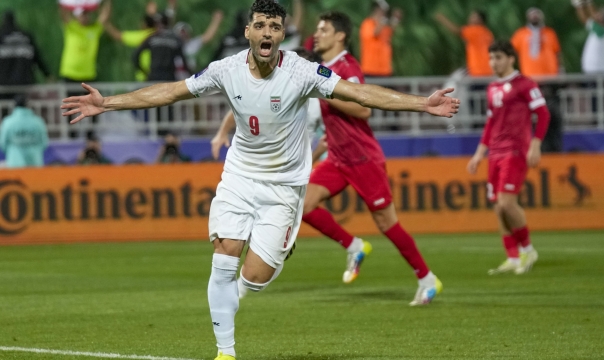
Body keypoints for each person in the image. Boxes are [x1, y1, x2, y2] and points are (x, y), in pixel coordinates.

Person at [60, 1, 459, 358]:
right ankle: (225, 353)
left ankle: (279, 254)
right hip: (239, 176)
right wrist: (107, 103)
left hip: (285, 186)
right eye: (260, 25)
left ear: (282, 34)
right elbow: (170, 92)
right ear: (248, 31)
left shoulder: (303, 71)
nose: (267, 32)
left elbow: (362, 95)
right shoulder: (225, 69)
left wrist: (422, 103)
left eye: (274, 26)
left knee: (254, 278)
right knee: (224, 255)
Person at [301, 11, 442, 306]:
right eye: (317, 28)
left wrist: (325, 94)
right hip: (338, 158)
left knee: (386, 223)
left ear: (340, 35)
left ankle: (427, 279)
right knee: (303, 204)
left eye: (324, 29)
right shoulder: (324, 68)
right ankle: (354, 246)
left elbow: (364, 110)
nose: (318, 33)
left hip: (362, 157)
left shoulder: (347, 67)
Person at [467, 41, 550, 275]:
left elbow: (543, 113)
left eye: (499, 58)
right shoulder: (492, 87)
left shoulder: (525, 84)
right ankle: (512, 257)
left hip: (515, 150)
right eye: (491, 58)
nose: (494, 63)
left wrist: (535, 144)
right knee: (498, 207)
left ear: (511, 59)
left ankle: (528, 249)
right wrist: (479, 154)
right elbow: (491, 122)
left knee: (507, 202)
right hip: (496, 152)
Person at [59, 0, 111, 82]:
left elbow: (104, 16)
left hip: (88, 74)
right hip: (70, 73)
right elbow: (64, 15)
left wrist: (108, 2)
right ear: (77, 16)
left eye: (87, 14)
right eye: (82, 15)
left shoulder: (94, 29)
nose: (85, 17)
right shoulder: (71, 28)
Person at [435, 10, 494, 77]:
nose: (470, 18)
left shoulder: (475, 30)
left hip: (478, 72)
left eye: (473, 17)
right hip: (489, 71)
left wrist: (442, 19)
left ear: (480, 20)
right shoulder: (487, 32)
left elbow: (457, 31)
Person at [0, 11, 51, 86]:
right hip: (25, 83)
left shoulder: (1, 36)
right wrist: (47, 74)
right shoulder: (26, 37)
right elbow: (37, 57)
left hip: (4, 84)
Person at [134, 13, 189, 81]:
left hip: (154, 75)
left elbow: (135, 56)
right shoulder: (176, 40)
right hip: (169, 76)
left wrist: (144, 72)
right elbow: (184, 61)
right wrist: (192, 74)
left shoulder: (152, 38)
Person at [174, 10, 225, 80]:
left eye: (184, 31)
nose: (183, 34)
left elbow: (208, 37)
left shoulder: (192, 44)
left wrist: (216, 21)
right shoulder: (172, 45)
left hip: (189, 77)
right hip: (173, 78)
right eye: (180, 32)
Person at [0, 94, 48, 168]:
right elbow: (44, 143)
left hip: (14, 164)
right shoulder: (38, 122)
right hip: (34, 163)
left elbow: (3, 143)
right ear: (28, 106)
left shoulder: (8, 122)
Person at [510, 8, 562, 77]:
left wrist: (561, 69)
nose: (534, 16)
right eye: (532, 14)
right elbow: (510, 51)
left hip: (550, 74)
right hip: (529, 74)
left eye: (536, 14)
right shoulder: (520, 34)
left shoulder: (550, 33)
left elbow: (557, 52)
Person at [104, 13, 156, 81]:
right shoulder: (159, 34)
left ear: (144, 24)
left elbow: (117, 36)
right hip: (159, 75)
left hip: (145, 76)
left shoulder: (142, 36)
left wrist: (106, 24)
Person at [359, 0, 402, 77]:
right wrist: (383, 19)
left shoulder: (384, 27)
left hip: (385, 71)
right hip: (370, 70)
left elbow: (392, 30)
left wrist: (396, 18)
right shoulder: (367, 23)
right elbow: (375, 32)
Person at [573, 0, 604, 74]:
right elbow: (593, 17)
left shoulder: (601, 30)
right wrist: (586, 3)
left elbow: (585, 19)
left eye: (600, 14)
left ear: (603, 20)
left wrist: (578, 5)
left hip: (595, 70)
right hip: (596, 69)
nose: (598, 14)